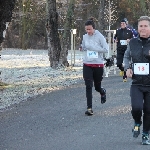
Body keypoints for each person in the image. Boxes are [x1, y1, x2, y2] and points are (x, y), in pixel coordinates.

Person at [123, 16, 150, 145]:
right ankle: (137, 121)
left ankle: (145, 134)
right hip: (137, 83)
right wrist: (127, 68)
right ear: (137, 28)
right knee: (136, 108)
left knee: (149, 110)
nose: (143, 28)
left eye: (146, 26)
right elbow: (127, 56)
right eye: (141, 26)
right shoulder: (132, 42)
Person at [81, 18, 109, 116]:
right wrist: (82, 48)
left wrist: (93, 48)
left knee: (97, 87)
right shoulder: (84, 37)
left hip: (98, 64)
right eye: (86, 29)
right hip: (87, 64)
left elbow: (106, 49)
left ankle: (102, 91)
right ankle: (89, 108)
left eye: (90, 29)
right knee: (88, 86)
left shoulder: (100, 37)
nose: (88, 31)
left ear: (94, 29)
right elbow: (84, 46)